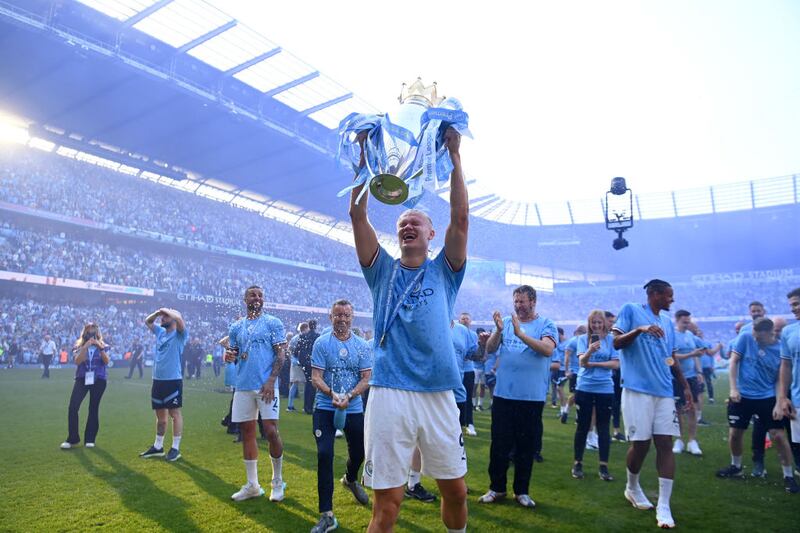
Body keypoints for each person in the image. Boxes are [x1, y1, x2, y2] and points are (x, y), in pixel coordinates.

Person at [350, 127, 468, 532]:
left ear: (431, 234)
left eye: (416, 221)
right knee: (388, 503)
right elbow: (357, 215)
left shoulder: (445, 271)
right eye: (402, 222)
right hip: (389, 391)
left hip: (437, 391)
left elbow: (462, 218)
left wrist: (455, 157)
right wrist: (365, 159)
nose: (408, 226)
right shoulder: (381, 270)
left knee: (456, 491)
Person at [612, 279, 691, 530]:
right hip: (637, 390)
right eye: (669, 296)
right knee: (641, 446)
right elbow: (616, 343)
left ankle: (664, 505)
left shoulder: (667, 323)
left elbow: (670, 357)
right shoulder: (631, 310)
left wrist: (684, 384)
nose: (672, 300)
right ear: (654, 294)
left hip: (664, 391)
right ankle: (632, 487)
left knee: (665, 443)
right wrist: (640, 330)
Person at [479, 285, 557, 509]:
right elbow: (491, 349)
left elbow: (547, 350)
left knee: (526, 446)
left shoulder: (545, 324)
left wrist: (521, 334)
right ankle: (497, 488)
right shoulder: (506, 321)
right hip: (504, 395)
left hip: (531, 397)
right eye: (516, 301)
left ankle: (521, 491)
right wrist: (497, 330)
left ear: (533, 302)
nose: (518, 306)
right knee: (499, 444)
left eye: (522, 301)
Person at [309, 300, 372, 533]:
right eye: (338, 315)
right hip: (326, 406)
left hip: (353, 407)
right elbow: (316, 376)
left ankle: (350, 479)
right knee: (324, 454)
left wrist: (350, 395)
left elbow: (366, 377)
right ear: (330, 317)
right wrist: (332, 393)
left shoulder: (362, 346)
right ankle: (327, 515)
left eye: (346, 315)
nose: (342, 319)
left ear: (352, 317)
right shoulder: (322, 343)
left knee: (360, 453)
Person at [717, 317, 799, 493]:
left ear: (770, 333)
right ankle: (736, 466)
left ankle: (788, 476)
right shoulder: (746, 337)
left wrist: (779, 401)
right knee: (735, 433)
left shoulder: (779, 348)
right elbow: (733, 362)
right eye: (753, 334)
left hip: (767, 397)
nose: (755, 339)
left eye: (758, 336)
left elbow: (779, 379)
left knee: (778, 435)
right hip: (742, 396)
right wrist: (733, 389)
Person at [225, 286, 288, 503]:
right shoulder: (236, 327)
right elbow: (234, 354)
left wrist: (271, 380)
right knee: (247, 433)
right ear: (245, 299)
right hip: (243, 386)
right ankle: (252, 485)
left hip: (266, 386)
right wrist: (228, 356)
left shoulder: (273, 322)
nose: (257, 298)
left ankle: (277, 481)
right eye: (253, 294)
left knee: (270, 431)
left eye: (260, 295)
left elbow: (281, 354)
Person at [571, 310, 619, 482]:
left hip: (605, 388)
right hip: (584, 387)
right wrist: (590, 350)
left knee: (603, 427)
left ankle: (604, 466)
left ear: (605, 323)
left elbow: (615, 364)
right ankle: (577, 463)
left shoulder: (611, 340)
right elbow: (582, 362)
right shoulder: (582, 339)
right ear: (589, 323)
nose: (597, 325)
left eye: (600, 322)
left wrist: (594, 363)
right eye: (594, 323)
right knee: (582, 426)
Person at [140, 307, 188, 462]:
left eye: (166, 317)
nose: (162, 319)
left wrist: (169, 311)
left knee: (174, 414)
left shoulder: (180, 335)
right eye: (163, 317)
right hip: (158, 380)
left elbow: (180, 321)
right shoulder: (160, 332)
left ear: (173, 319)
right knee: (160, 417)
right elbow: (148, 321)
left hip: (172, 380)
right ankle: (158, 447)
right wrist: (157, 312)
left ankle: (175, 448)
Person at [60, 323, 110, 449]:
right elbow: (77, 361)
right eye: (88, 332)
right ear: (85, 333)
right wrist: (85, 348)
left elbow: (106, 361)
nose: (91, 334)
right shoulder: (78, 346)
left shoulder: (104, 346)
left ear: (97, 333)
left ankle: (90, 439)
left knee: (93, 408)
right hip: (82, 378)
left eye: (93, 332)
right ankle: (72, 438)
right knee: (73, 407)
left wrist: (100, 348)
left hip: (99, 379)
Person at [671, 310, 705, 456]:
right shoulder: (672, 336)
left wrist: (699, 372)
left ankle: (692, 441)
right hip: (676, 377)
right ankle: (679, 439)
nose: (687, 324)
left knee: (692, 408)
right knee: (677, 409)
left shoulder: (690, 335)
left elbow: (699, 352)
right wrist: (691, 354)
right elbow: (672, 356)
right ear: (677, 320)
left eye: (688, 321)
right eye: (685, 321)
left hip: (691, 377)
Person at [776, 288, 800, 476]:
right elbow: (785, 365)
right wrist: (783, 397)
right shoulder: (788, 332)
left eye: (797, 303)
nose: (794, 308)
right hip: (798, 401)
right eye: (792, 305)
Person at [606, 311, 625, 442]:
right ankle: (597, 432)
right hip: (606, 376)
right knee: (604, 405)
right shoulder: (600, 338)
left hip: (618, 375)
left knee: (617, 404)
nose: (613, 325)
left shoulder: (615, 337)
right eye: (610, 322)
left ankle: (616, 431)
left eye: (614, 322)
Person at [458, 312, 479, 436]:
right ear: (459, 320)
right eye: (463, 318)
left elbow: (472, 353)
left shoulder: (473, 335)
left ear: (470, 321)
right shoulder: (455, 332)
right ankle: (457, 424)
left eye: (467, 319)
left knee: (468, 398)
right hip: (456, 370)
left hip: (468, 370)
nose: (465, 320)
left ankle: (470, 423)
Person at [296, 320, 320, 415]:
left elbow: (297, 350)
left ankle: (307, 406)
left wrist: (301, 361)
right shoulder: (317, 336)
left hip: (305, 363)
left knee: (308, 383)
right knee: (312, 384)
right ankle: (309, 407)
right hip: (313, 363)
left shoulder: (303, 336)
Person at [287, 322, 309, 413]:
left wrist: (292, 359)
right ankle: (304, 406)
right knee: (303, 385)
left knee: (295, 384)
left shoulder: (294, 338)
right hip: (299, 363)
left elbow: (289, 350)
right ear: (305, 329)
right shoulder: (300, 338)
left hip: (295, 363)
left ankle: (290, 405)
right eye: (307, 328)